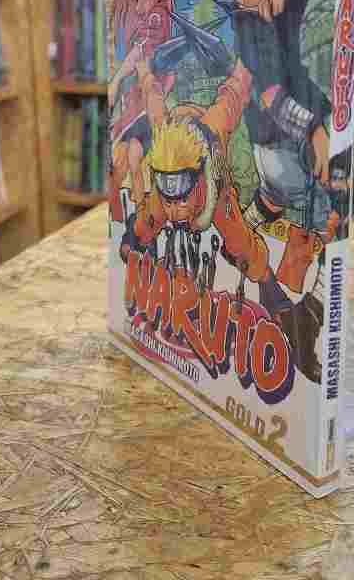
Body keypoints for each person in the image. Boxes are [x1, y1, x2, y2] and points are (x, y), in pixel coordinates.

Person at [118, 51, 323, 384]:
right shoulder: (162, 156)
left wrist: (250, 57)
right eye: (168, 191)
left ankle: (279, 303)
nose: (176, 207)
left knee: (243, 247)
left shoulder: (216, 135)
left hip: (214, 186)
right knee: (139, 231)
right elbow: (153, 94)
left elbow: (234, 91)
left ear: (196, 177)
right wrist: (142, 67)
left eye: (180, 192)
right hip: (175, 151)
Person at [218, 0, 341, 235]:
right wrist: (313, 130)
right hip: (275, 135)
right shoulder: (248, 28)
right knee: (296, 194)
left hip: (308, 96)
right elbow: (273, 98)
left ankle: (251, 224)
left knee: (281, 194)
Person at [108, 0, 174, 219]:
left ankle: (143, 211)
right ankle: (134, 211)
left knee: (134, 154)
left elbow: (139, 54)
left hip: (152, 101)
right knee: (126, 155)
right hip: (138, 102)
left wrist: (116, 80)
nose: (140, 3)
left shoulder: (158, 16)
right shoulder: (145, 20)